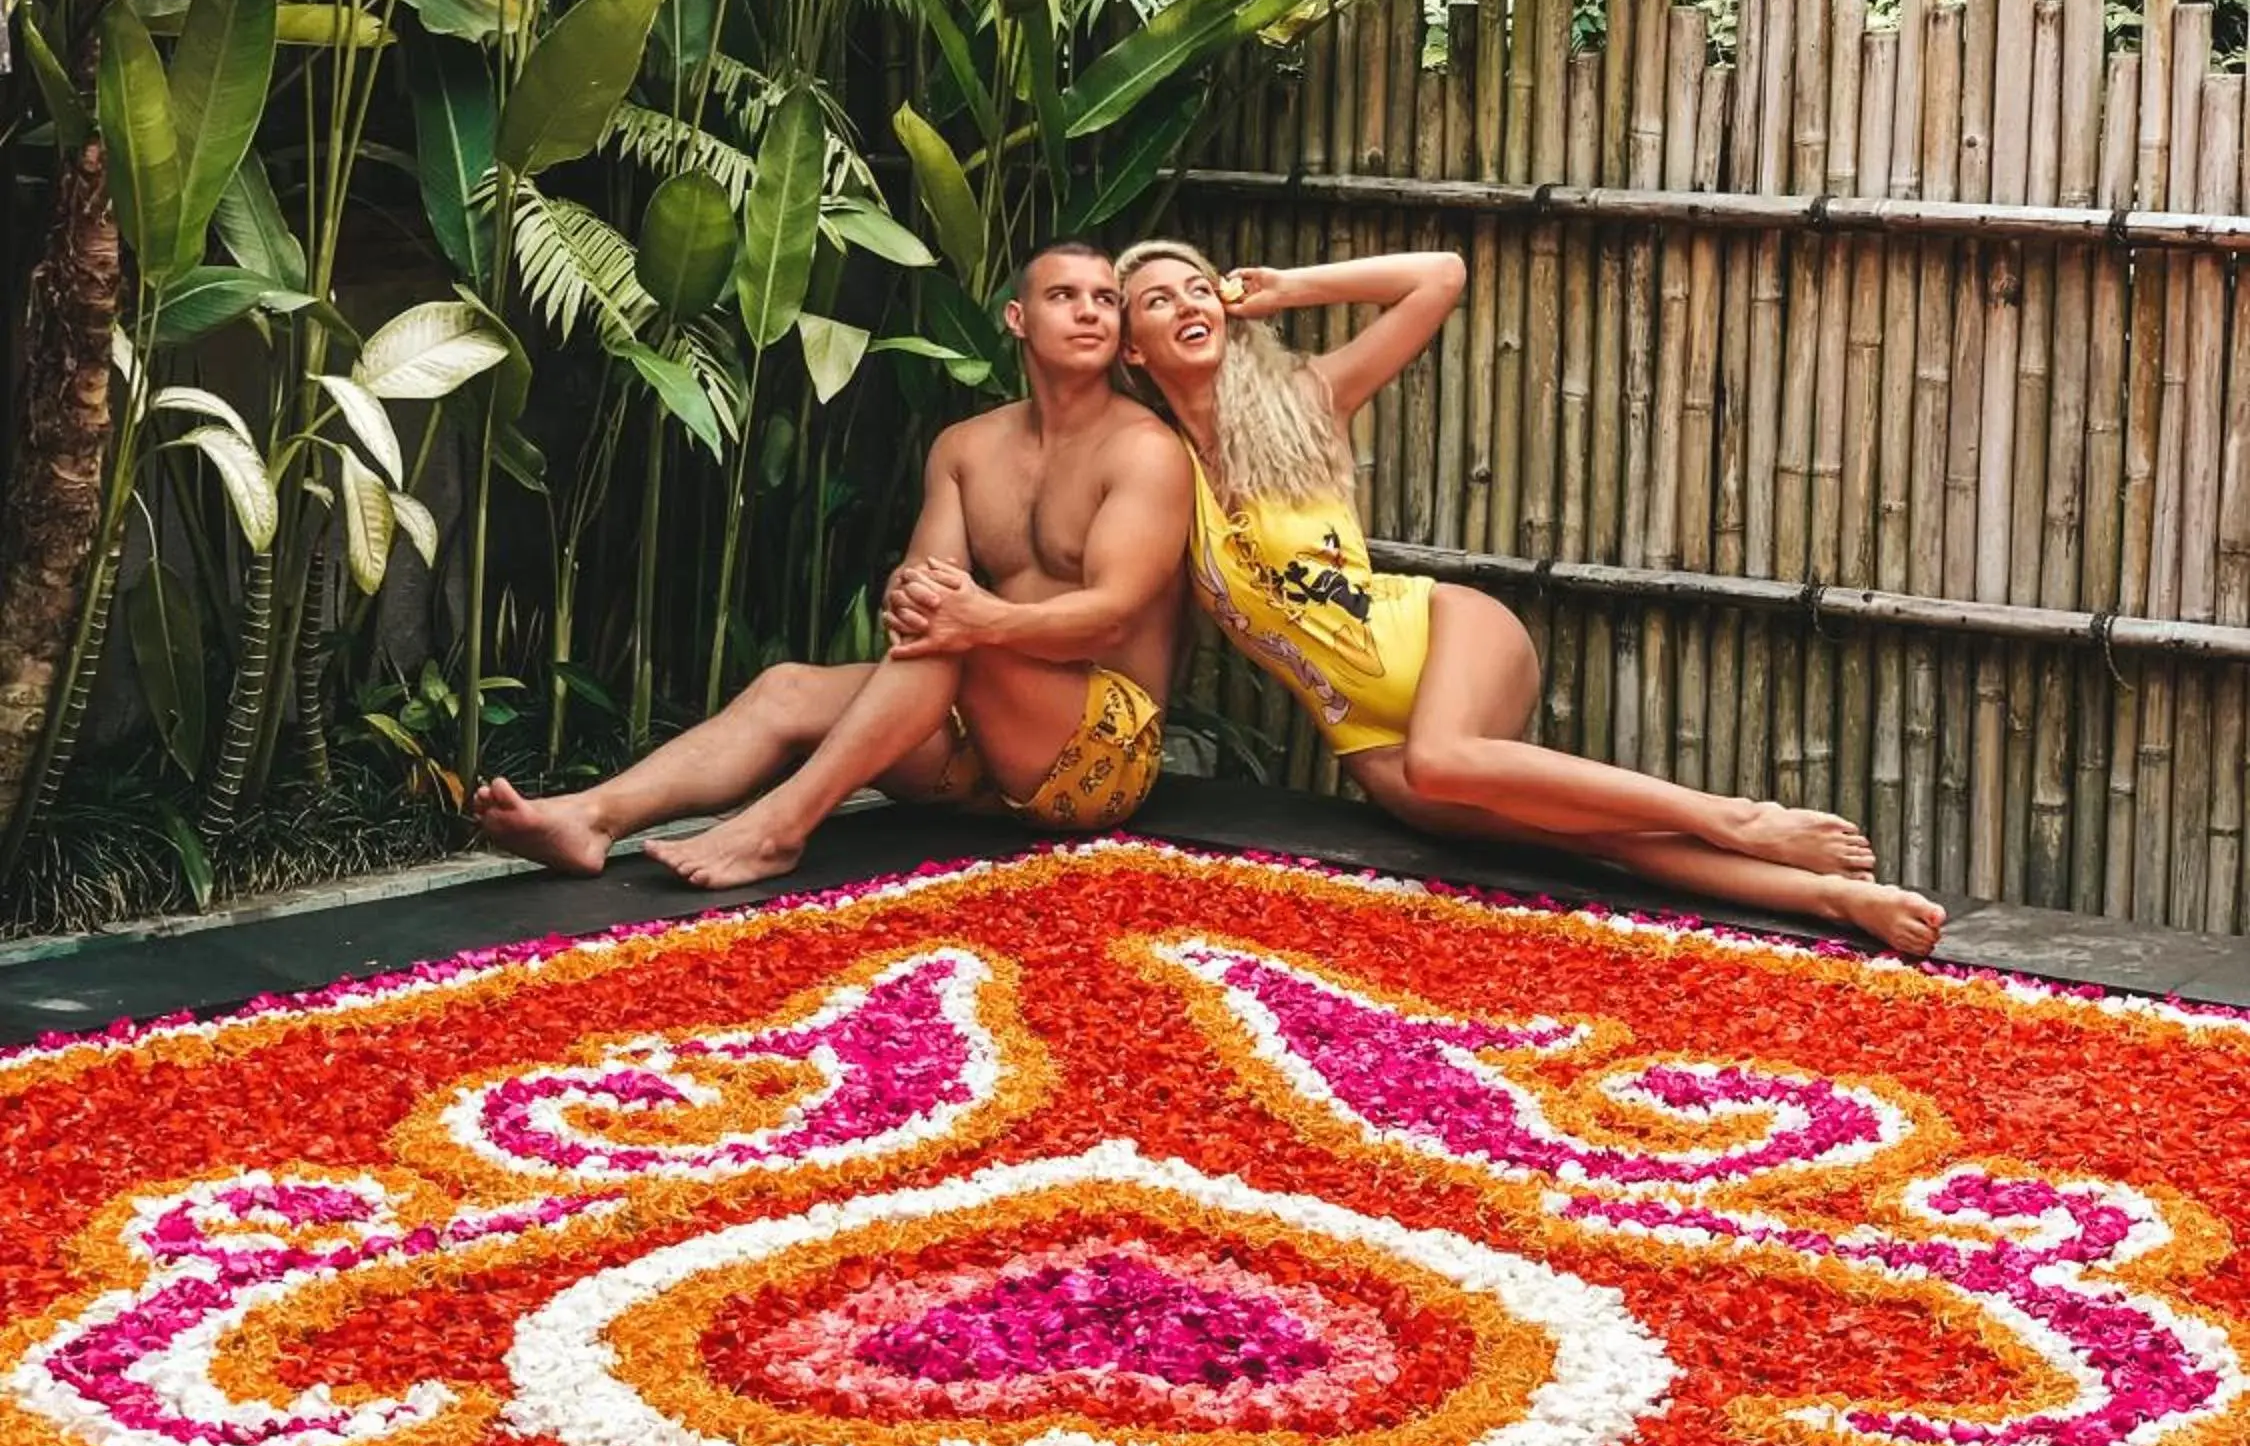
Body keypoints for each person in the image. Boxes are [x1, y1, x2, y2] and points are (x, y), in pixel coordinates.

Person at [1116, 237, 1947, 957]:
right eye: (1158, 300)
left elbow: (1439, 275)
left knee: (1446, 758)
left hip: (1449, 634)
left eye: (1198, 285)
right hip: (1371, 743)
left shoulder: (1307, 401)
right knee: (1602, 844)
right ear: (1133, 350)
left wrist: (1290, 289)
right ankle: (1838, 902)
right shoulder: (1155, 471)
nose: (1188, 302)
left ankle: (1737, 817)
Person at [473, 241, 1192, 889]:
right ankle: (591, 817)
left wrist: (979, 619)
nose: (1090, 312)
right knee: (788, 688)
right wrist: (912, 595)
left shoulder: (1143, 450)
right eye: (1063, 296)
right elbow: (922, 587)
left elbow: (1110, 619)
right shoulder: (966, 448)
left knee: (957, 637)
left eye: (1105, 299)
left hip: (1104, 752)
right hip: (978, 744)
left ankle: (779, 825)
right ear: (1016, 317)